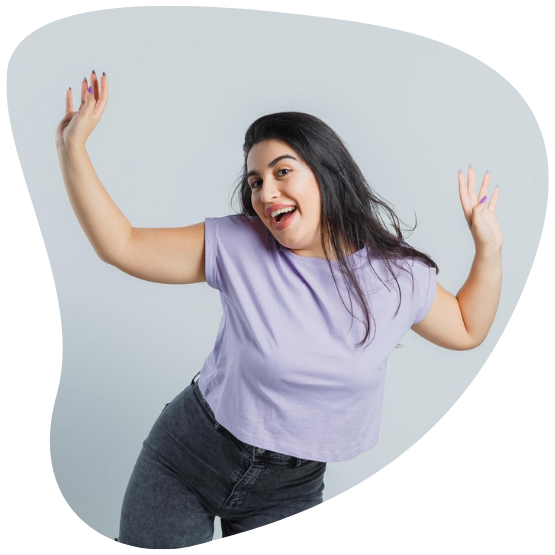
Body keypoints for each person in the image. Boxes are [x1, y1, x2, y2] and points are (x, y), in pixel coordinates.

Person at [55, 71, 503, 548]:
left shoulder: (396, 277)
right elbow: (122, 245)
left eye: (282, 171)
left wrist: (488, 249)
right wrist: (71, 149)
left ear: (326, 173)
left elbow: (467, 327)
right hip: (187, 458)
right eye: (255, 181)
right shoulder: (239, 243)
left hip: (288, 493)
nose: (265, 193)